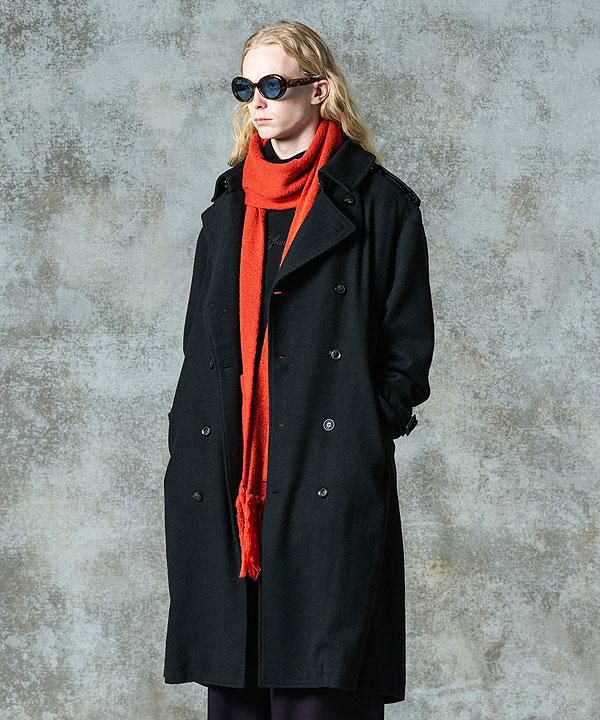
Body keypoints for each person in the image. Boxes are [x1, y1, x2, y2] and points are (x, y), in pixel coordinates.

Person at [162, 20, 435, 720]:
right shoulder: (227, 208)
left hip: (325, 472)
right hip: (230, 476)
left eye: (273, 84)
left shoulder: (381, 204)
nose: (257, 100)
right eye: (245, 86)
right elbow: (202, 348)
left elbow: (407, 352)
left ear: (320, 90)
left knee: (320, 692)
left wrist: (361, 432)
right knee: (236, 687)